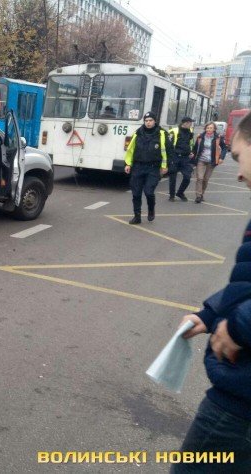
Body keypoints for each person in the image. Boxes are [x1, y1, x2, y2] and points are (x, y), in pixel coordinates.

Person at [173, 111, 251, 473]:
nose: (238, 173)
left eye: (238, 157)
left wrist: (237, 327)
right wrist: (210, 315)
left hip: (239, 405)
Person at [124, 111, 170, 224]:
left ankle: (151, 209)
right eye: (146, 121)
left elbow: (168, 151)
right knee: (136, 193)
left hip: (153, 168)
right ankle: (137, 216)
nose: (148, 123)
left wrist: (165, 166)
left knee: (149, 192)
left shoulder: (162, 134)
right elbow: (131, 150)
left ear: (155, 121)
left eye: (150, 120)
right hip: (138, 167)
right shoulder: (138, 133)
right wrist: (128, 164)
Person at [192, 121, 227, 203]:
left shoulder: (218, 137)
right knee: (200, 178)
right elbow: (195, 148)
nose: (209, 129)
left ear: (214, 129)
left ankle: (202, 194)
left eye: (211, 128)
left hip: (211, 161)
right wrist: (192, 154)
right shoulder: (200, 137)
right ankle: (198, 196)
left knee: (205, 179)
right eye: (207, 128)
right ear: (205, 129)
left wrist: (221, 158)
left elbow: (224, 148)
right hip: (201, 160)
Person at [168, 117, 195, 202]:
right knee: (173, 177)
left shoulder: (190, 131)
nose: (191, 125)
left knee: (187, 177)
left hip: (185, 158)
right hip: (175, 157)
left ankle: (180, 193)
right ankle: (172, 195)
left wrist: (191, 151)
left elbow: (190, 143)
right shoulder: (174, 131)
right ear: (185, 123)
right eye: (190, 123)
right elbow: (168, 145)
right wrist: (170, 157)